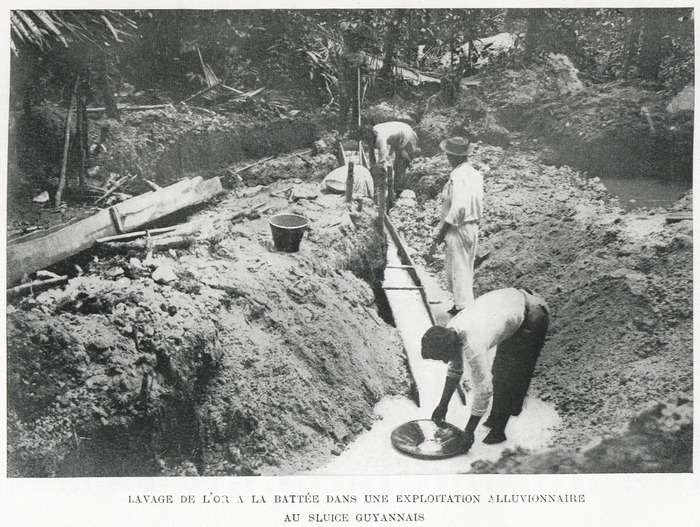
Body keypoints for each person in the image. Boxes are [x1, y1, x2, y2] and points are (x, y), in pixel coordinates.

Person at [420, 288, 550, 451]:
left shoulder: (473, 342)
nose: (445, 361)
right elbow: (455, 370)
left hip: (533, 314)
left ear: (448, 346)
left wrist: (469, 432)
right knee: (500, 370)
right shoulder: (451, 330)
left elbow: (484, 389)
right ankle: (495, 417)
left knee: (511, 375)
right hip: (510, 306)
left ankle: (499, 429)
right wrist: (442, 405)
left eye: (442, 357)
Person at [428, 137, 483, 315]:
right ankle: (461, 304)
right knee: (466, 267)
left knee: (458, 268)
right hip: (472, 226)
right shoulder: (475, 174)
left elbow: (458, 206)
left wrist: (441, 232)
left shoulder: (457, 176)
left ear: (453, 157)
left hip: (458, 228)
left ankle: (462, 310)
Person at [360, 120, 419, 195]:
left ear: (370, 135)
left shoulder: (380, 138)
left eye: (366, 140)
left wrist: (377, 178)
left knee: (400, 166)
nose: (365, 142)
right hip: (398, 139)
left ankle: (399, 193)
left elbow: (382, 161)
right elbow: (372, 157)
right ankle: (396, 190)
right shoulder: (370, 134)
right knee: (397, 166)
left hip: (408, 136)